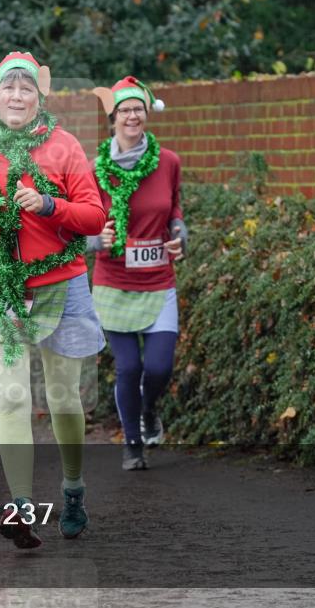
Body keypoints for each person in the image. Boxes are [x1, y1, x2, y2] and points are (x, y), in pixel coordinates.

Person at [0, 53, 107, 548]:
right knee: (12, 396)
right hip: (0, 286)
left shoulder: (64, 147)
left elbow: (95, 216)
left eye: (26, 89)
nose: (16, 96)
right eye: (9, 89)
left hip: (62, 282)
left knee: (62, 399)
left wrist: (50, 206)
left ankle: (73, 489)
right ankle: (19, 505)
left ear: (40, 97)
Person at [90, 77, 186, 470]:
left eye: (138, 109)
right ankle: (133, 445)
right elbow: (77, 225)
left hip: (158, 280)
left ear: (147, 115)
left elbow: (175, 209)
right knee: (128, 367)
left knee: (159, 367)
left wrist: (180, 234)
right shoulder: (95, 168)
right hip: (113, 281)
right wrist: (97, 238)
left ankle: (149, 411)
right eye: (125, 110)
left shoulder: (168, 162)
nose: (132, 116)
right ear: (112, 118)